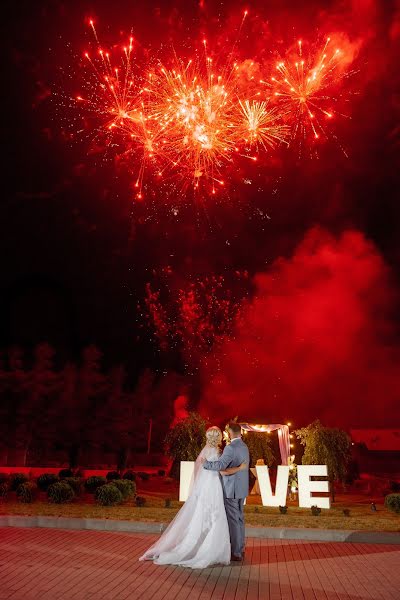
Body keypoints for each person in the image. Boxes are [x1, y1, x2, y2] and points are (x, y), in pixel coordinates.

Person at [139, 426, 247, 569]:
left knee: (207, 516)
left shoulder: (209, 451)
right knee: (225, 517)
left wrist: (197, 488)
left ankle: (219, 547)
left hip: (207, 488)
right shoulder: (230, 449)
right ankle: (231, 549)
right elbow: (221, 470)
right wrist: (239, 468)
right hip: (218, 488)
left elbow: (199, 471)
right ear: (219, 437)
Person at [203, 421, 249, 561]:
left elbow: (220, 465)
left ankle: (236, 553)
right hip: (241, 488)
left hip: (231, 489)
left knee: (234, 521)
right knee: (240, 519)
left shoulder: (230, 448)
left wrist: (205, 463)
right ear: (240, 432)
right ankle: (240, 549)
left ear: (230, 432)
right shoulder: (244, 446)